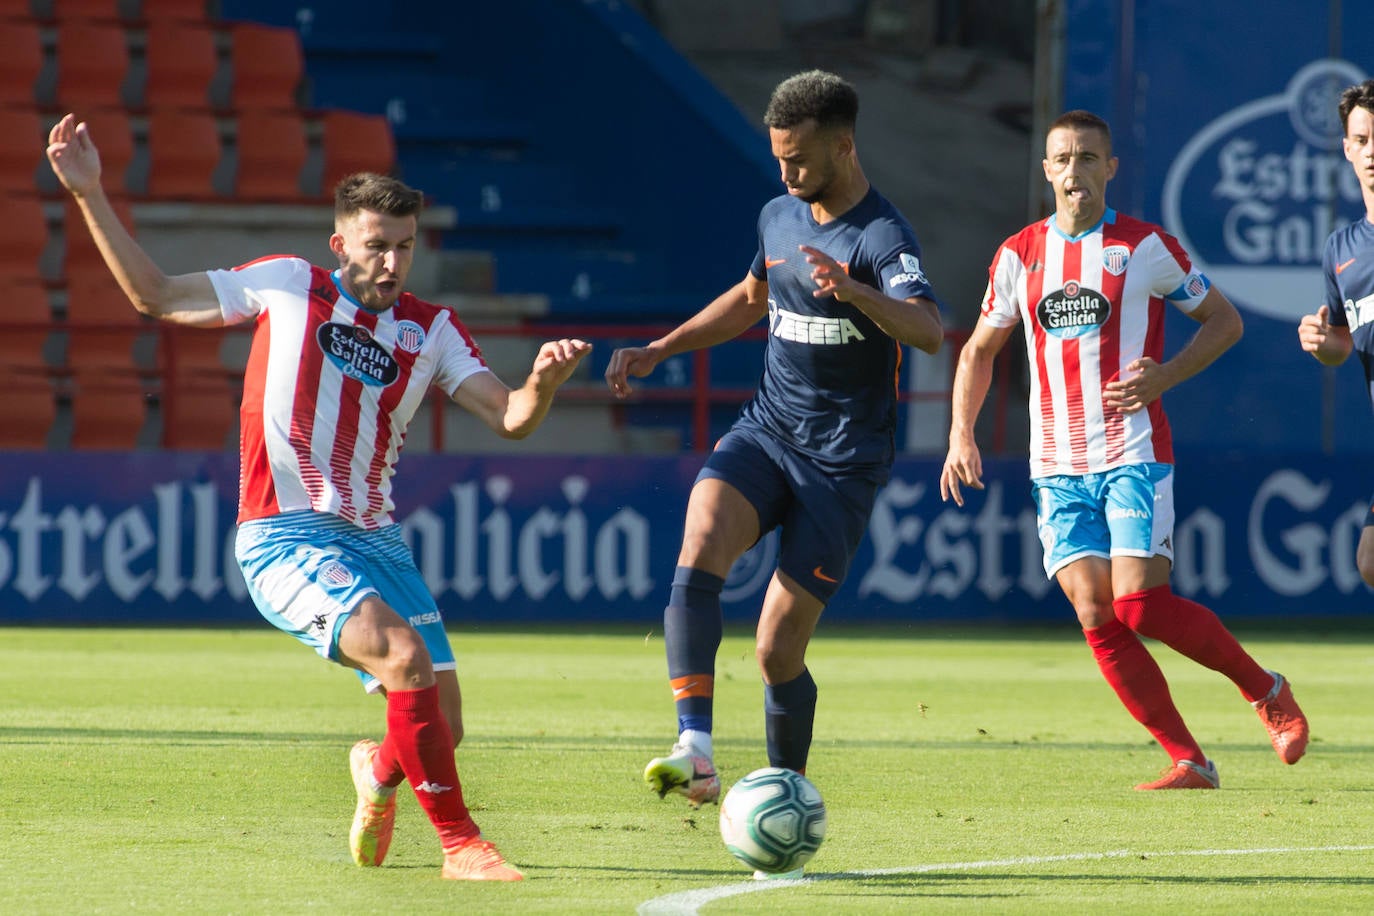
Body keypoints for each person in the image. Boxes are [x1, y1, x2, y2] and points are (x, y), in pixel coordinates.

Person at [46, 113, 591, 879]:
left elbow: (509, 418)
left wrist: (540, 383)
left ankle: (377, 771)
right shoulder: (286, 284)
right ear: (342, 244)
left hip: (377, 540)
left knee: (443, 722)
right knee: (404, 659)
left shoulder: (431, 330)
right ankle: (462, 845)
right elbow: (157, 298)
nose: (393, 261)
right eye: (377, 244)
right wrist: (91, 193)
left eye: (405, 245)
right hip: (284, 534)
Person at [604, 70, 943, 829]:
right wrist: (663, 348)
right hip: (769, 429)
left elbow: (927, 328)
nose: (786, 174)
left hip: (844, 462)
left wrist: (857, 293)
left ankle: (788, 797)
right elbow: (751, 299)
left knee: (775, 650)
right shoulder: (777, 217)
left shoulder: (881, 236)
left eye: (798, 160)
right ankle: (694, 744)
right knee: (700, 540)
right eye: (778, 158)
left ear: (843, 146)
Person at [940, 110, 1308, 790]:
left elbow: (1224, 321)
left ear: (1110, 167)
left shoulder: (1144, 248)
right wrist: (961, 433)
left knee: (1137, 603)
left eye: (1087, 157)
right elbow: (978, 350)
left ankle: (1266, 689)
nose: (1074, 169)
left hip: (1132, 452)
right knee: (1094, 612)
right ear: (1046, 169)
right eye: (1062, 158)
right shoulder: (1019, 255)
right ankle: (1188, 759)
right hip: (1055, 466)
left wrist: (1165, 375)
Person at [1299, 79, 1374, 587]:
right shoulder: (1341, 249)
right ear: (1347, 148)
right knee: (1371, 563)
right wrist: (1326, 345)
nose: (1372, 152)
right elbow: (1343, 341)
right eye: (1362, 139)